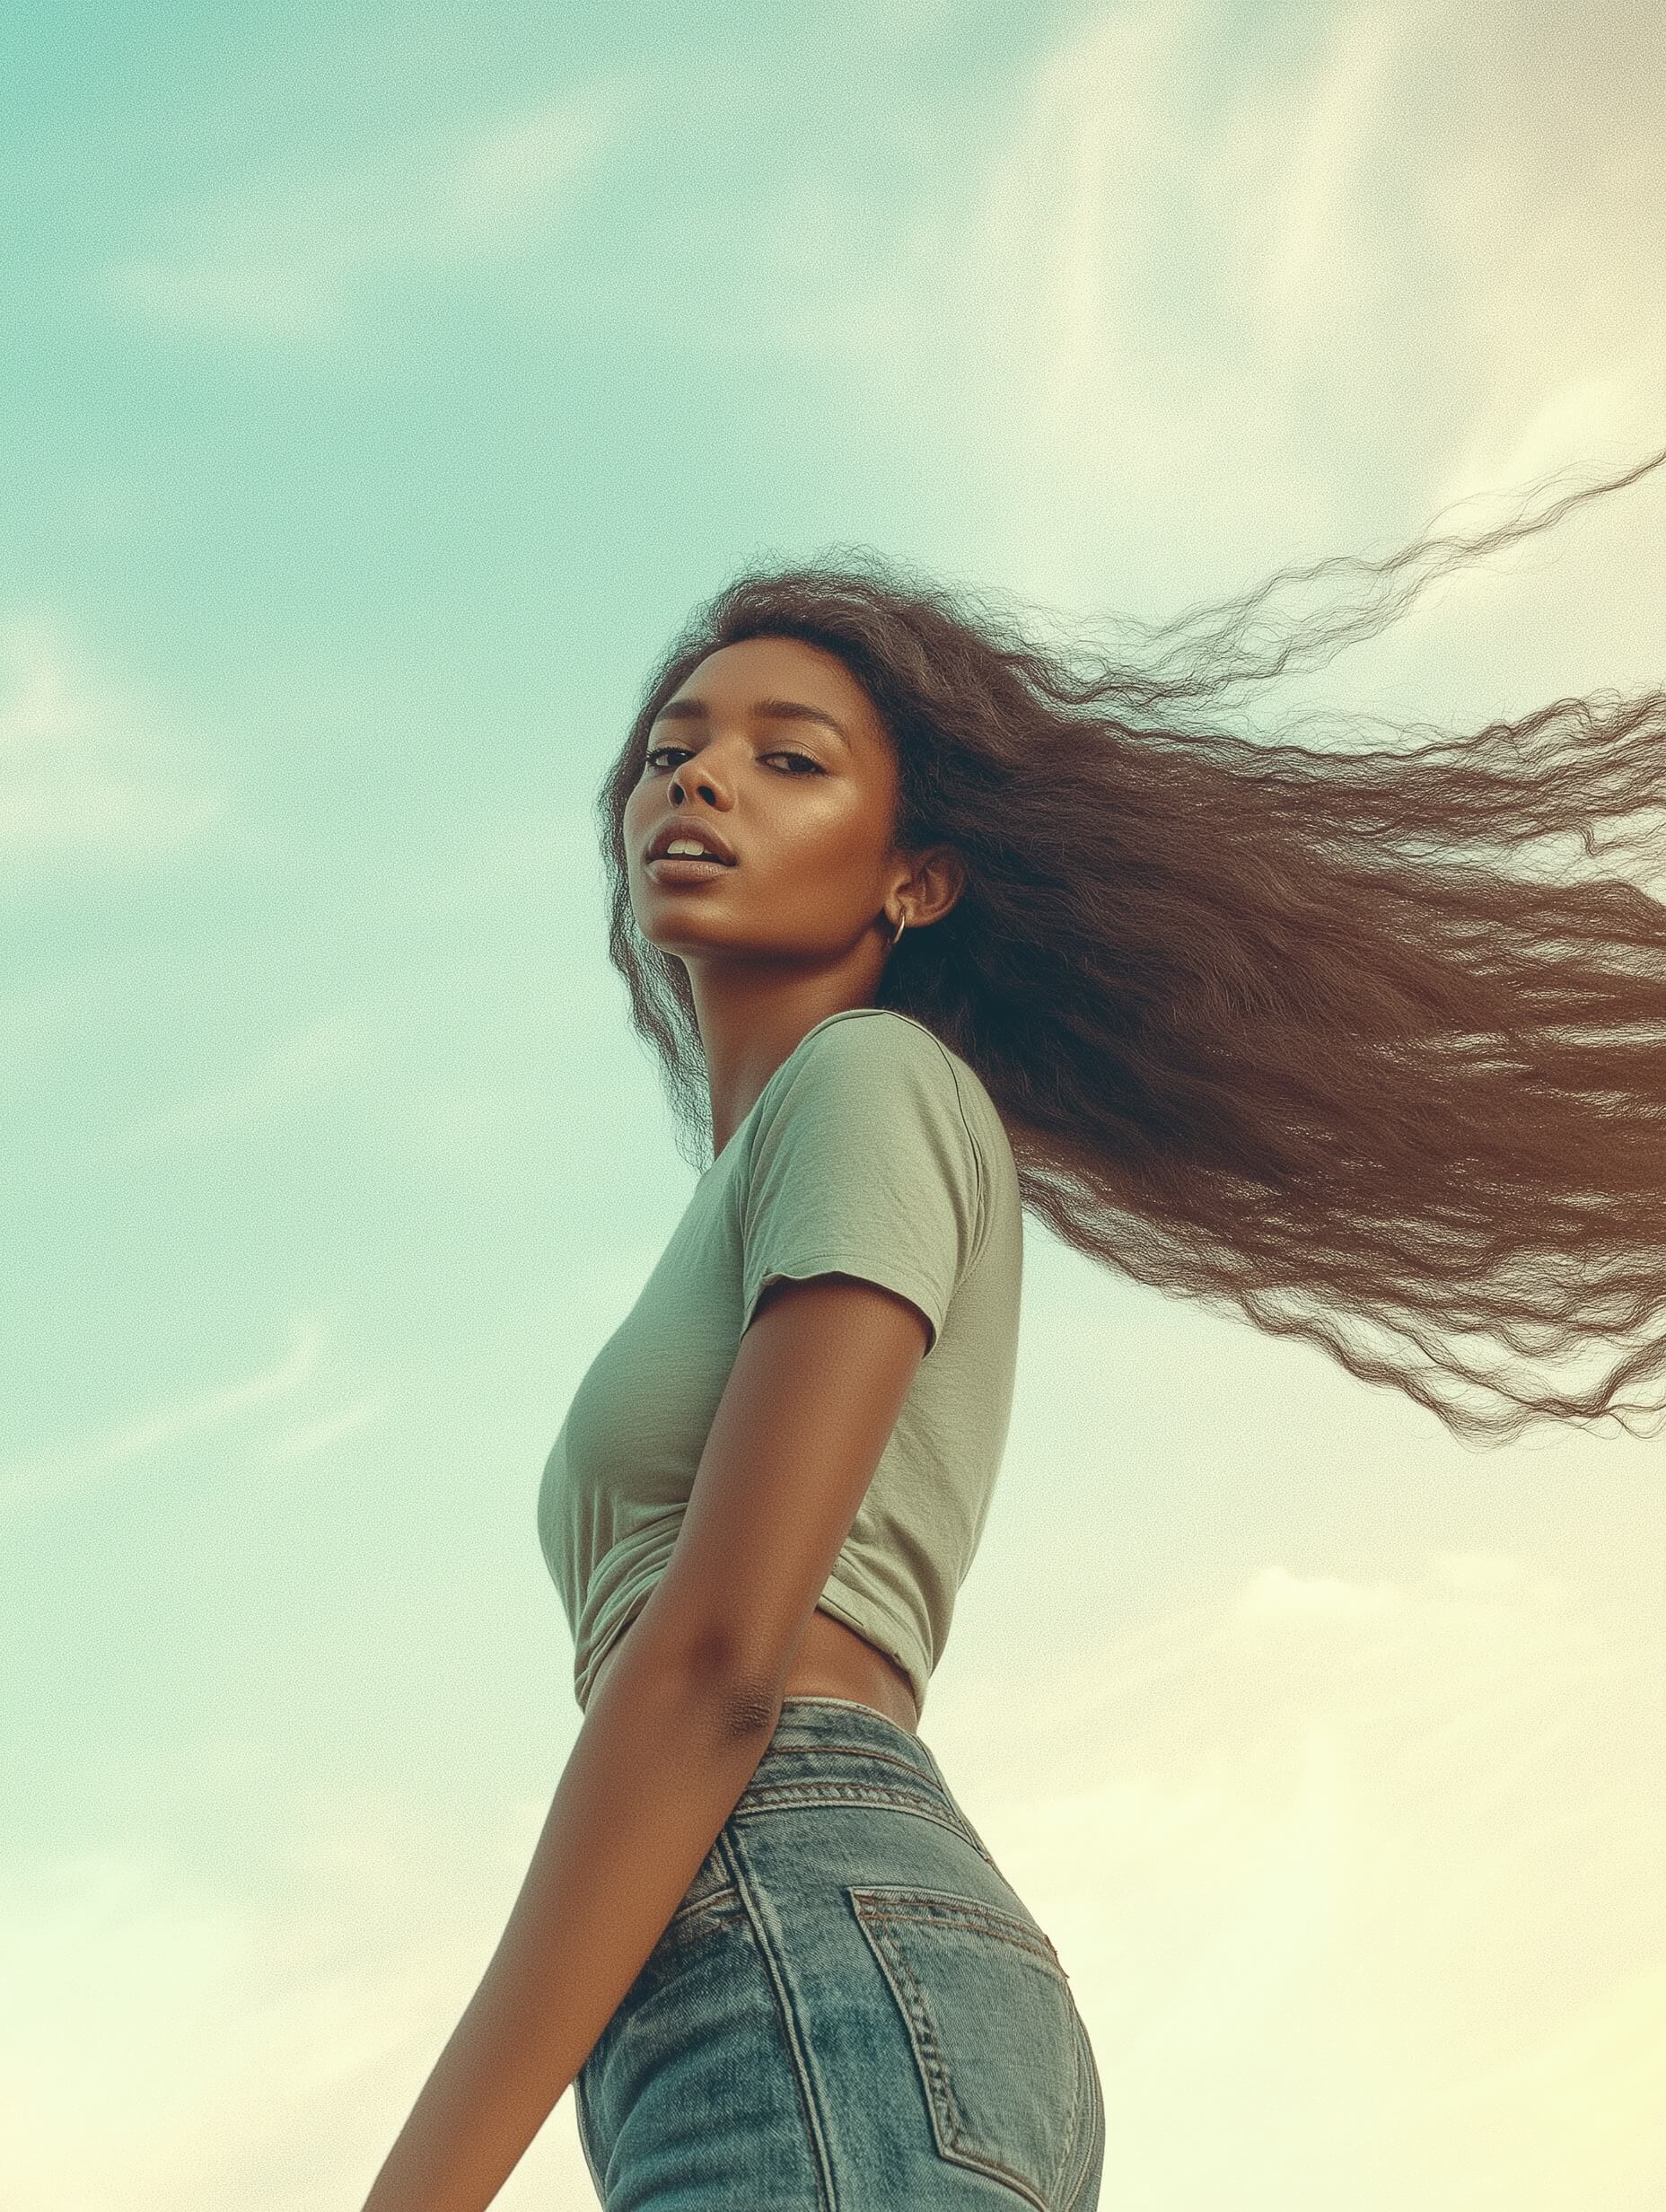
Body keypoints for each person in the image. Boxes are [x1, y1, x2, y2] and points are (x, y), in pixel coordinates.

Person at [360, 449, 1666, 2210]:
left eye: (784, 757)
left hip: (802, 1918)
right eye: (673, 748)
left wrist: (419, 2183)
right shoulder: (801, 1147)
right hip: (837, 1959)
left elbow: (720, 1659)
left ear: (916, 879)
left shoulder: (870, 1079)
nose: (698, 780)